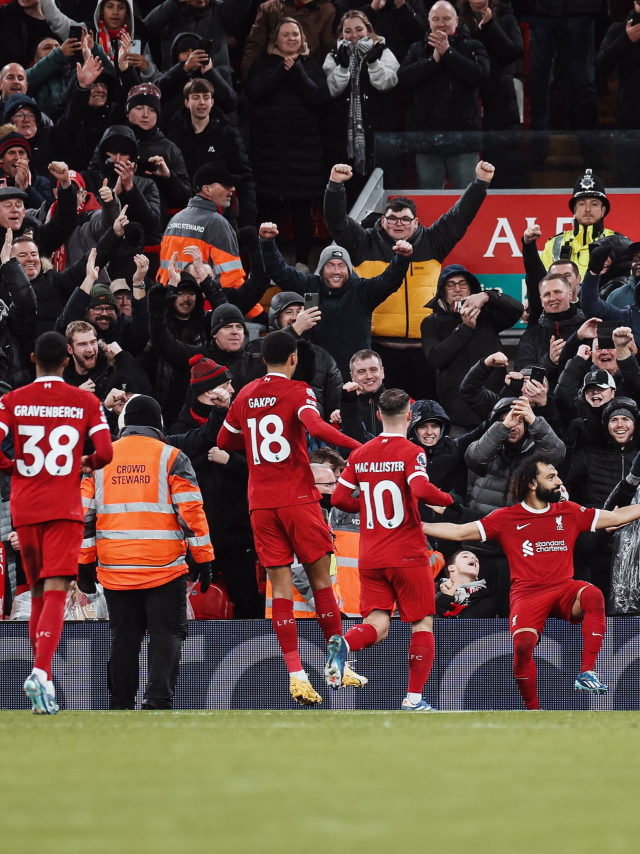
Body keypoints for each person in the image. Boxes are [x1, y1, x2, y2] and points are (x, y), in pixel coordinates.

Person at [422, 454, 640, 709]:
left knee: (593, 595)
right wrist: (418, 525)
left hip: (563, 588)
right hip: (527, 594)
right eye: (551, 477)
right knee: (523, 646)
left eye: (557, 475)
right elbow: (459, 531)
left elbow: (615, 517)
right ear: (532, 484)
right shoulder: (506, 518)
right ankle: (533, 710)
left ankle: (587, 672)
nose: (559, 481)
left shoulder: (569, 511)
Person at [217, 330, 361, 706]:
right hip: (297, 498)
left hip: (261, 503)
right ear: (293, 357)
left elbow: (223, 440)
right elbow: (316, 428)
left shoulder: (245, 395)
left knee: (279, 587)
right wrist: (359, 447)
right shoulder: (298, 392)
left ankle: (296, 674)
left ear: (264, 359)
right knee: (321, 582)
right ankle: (337, 665)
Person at [0, 331, 113, 713]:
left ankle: (39, 681)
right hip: (64, 507)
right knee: (56, 589)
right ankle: (41, 673)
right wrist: (87, 463)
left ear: (32, 358)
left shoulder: (12, 400)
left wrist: (11, 466)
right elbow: (106, 451)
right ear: (68, 360)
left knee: (34, 590)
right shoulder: (85, 400)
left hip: (25, 508)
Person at [79, 394, 213, 710]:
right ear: (158, 425)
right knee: (166, 634)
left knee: (124, 639)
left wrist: (84, 567)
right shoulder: (172, 457)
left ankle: (120, 703)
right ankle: (157, 701)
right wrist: (204, 558)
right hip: (164, 568)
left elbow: (83, 518)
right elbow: (191, 514)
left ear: (124, 425)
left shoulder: (98, 461)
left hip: (115, 570)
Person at [326, 388, 454, 711]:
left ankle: (345, 642)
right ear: (410, 416)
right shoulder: (413, 452)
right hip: (408, 554)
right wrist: (449, 500)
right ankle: (413, 699)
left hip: (371, 555)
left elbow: (338, 499)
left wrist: (367, 508)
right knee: (422, 624)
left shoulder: (360, 454)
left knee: (378, 626)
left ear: (379, 415)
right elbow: (421, 488)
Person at [323, 160, 494, 397]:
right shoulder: (364, 243)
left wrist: (480, 183)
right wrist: (335, 186)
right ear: (382, 220)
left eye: (405, 219)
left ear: (415, 222)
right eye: (392, 218)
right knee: (381, 418)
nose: (398, 224)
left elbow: (460, 216)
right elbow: (336, 221)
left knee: (426, 419)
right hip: (377, 351)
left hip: (426, 350)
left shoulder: (433, 242)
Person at [259, 221, 414, 379]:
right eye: (330, 265)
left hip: (355, 377)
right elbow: (279, 271)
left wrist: (401, 259)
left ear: (348, 268)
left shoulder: (363, 290)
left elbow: (389, 281)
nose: (336, 271)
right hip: (316, 375)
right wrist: (267, 242)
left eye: (341, 265)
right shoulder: (310, 285)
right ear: (321, 268)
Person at [246, 17, 330, 270]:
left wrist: (298, 72)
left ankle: (303, 262)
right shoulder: (264, 65)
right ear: (276, 40)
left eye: (295, 34)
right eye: (285, 34)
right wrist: (281, 71)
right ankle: (267, 266)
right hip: (268, 152)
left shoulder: (312, 66)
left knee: (301, 212)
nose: (291, 38)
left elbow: (319, 99)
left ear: (303, 39)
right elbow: (255, 94)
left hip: (304, 153)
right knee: (269, 212)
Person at [398, 0, 489, 189]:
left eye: (446, 18)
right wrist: (433, 61)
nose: (441, 23)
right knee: (430, 200)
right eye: (436, 19)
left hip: (463, 142)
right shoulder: (417, 49)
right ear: (429, 22)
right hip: (427, 142)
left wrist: (448, 53)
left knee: (467, 199)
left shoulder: (473, 46)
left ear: (456, 21)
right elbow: (403, 80)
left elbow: (479, 76)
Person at [421, 263, 523, 431]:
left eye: (463, 283)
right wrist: (466, 328)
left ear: (470, 289)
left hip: (493, 404)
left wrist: (488, 296)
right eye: (450, 284)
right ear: (442, 290)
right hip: (456, 411)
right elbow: (436, 357)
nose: (457, 289)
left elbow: (516, 310)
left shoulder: (487, 314)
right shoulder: (431, 322)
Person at [322, 9, 400, 189]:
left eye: (359, 29)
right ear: (341, 33)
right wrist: (342, 67)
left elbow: (388, 83)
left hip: (377, 136)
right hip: (342, 138)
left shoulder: (383, 52)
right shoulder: (333, 56)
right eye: (347, 31)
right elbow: (331, 90)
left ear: (368, 30)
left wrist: (373, 62)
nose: (354, 35)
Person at [166, 78, 255, 226]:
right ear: (186, 103)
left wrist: (248, 221)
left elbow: (244, 177)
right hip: (184, 212)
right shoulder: (174, 137)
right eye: (196, 97)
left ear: (212, 102)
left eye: (206, 97)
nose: (202, 102)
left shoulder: (228, 134)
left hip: (222, 214)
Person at [539, 170, 623, 279]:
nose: (588, 209)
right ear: (575, 209)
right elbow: (542, 283)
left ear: (603, 210)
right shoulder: (554, 244)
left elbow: (626, 285)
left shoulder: (617, 243)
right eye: (582, 204)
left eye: (594, 204)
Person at [144, 0, 253, 82]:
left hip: (217, 84)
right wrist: (175, 2)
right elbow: (147, 27)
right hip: (177, 84)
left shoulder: (221, 10)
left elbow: (241, 4)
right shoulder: (172, 11)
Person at [514, 272, 584, 389]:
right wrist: (549, 361)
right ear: (541, 300)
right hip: (543, 401)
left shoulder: (587, 328)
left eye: (557, 292)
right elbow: (522, 376)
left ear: (570, 295)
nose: (552, 298)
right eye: (547, 294)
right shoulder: (532, 335)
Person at [596, 3, 640, 187]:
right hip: (629, 118)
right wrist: (626, 39)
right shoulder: (619, 29)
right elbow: (600, 65)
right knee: (628, 181)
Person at [242, 0, 336, 79]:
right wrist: (248, 79)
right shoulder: (269, 7)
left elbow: (328, 50)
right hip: (270, 73)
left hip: (308, 75)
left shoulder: (326, 10)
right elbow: (255, 45)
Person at [333, 349, 385, 443]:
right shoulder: (341, 408)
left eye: (373, 370)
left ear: (382, 372)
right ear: (352, 376)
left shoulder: (401, 403)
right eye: (361, 372)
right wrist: (347, 410)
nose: (369, 376)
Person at [435, 549, 497, 617]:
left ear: (477, 576)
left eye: (477, 560)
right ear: (451, 568)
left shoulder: (487, 598)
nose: (474, 558)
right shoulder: (433, 591)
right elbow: (428, 622)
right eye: (465, 556)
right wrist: (445, 597)